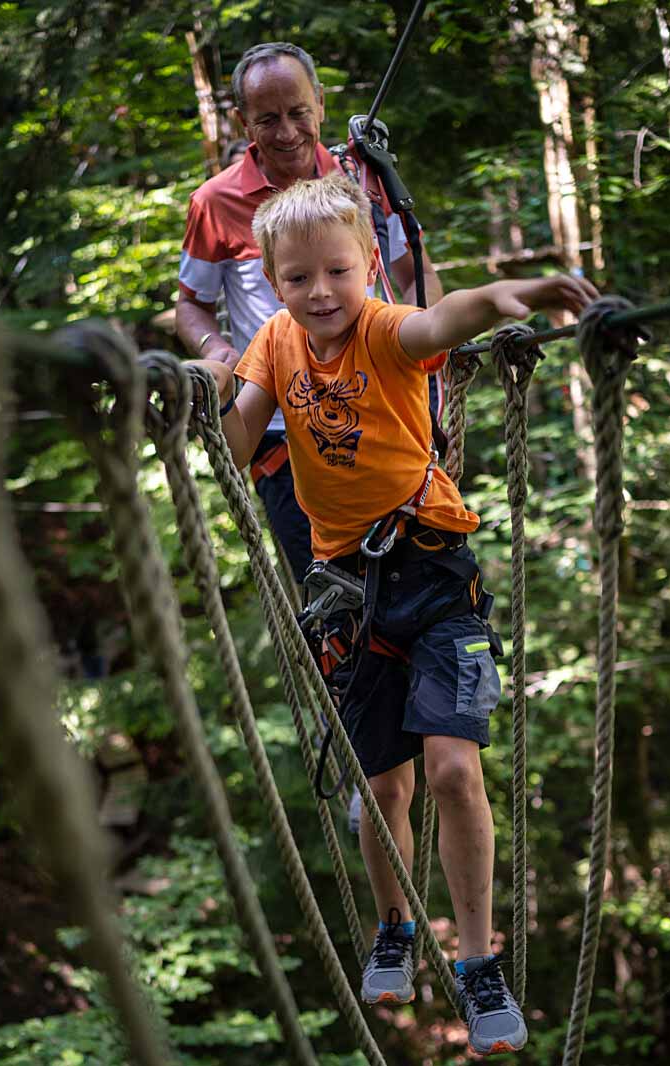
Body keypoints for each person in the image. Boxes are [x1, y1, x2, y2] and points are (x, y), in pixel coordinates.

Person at [194, 175, 597, 1057]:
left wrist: (522, 292)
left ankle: (480, 962)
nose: (320, 294)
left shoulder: (384, 331)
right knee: (382, 791)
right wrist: (199, 395)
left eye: (338, 272)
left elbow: (451, 316)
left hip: (435, 571)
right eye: (297, 279)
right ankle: (394, 929)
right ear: (273, 279)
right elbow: (233, 445)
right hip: (346, 587)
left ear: (369, 265)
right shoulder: (273, 343)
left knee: (454, 771)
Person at [177, 41, 442, 580]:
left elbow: (415, 273)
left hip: (392, 408)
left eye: (299, 113)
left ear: (321, 102)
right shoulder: (215, 202)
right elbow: (191, 305)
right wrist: (221, 355)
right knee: (333, 605)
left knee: (423, 581)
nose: (287, 132)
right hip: (283, 430)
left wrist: (429, 343)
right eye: (267, 118)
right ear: (241, 120)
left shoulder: (365, 179)